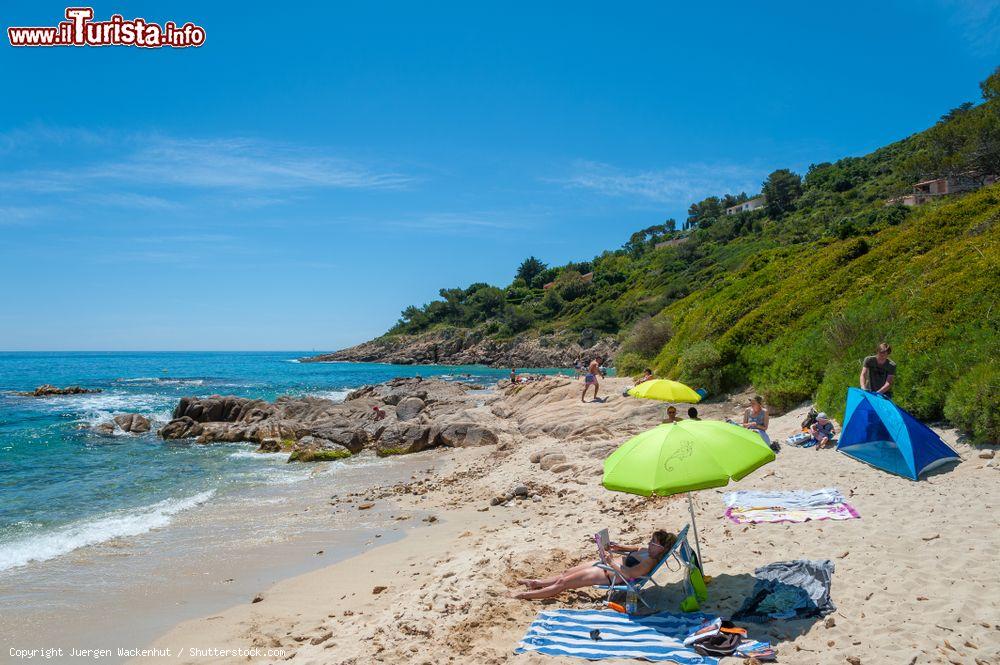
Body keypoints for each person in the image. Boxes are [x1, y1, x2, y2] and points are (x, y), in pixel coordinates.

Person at [513, 530, 677, 600]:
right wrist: (617, 547)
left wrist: (611, 561)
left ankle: (523, 595)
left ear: (661, 548)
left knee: (563, 583)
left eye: (653, 542)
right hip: (607, 565)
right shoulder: (647, 552)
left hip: (607, 574)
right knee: (567, 572)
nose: (649, 543)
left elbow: (629, 575)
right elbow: (635, 548)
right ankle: (536, 583)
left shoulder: (649, 562)